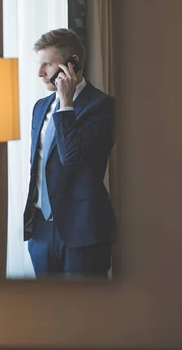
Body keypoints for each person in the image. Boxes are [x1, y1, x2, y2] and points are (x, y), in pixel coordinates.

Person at [23, 28, 116, 279]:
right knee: (47, 313)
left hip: (83, 231)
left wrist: (66, 105)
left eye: (47, 64)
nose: (40, 73)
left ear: (72, 64)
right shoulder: (40, 107)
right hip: (41, 233)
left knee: (84, 315)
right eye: (39, 64)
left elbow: (71, 158)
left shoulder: (102, 106)